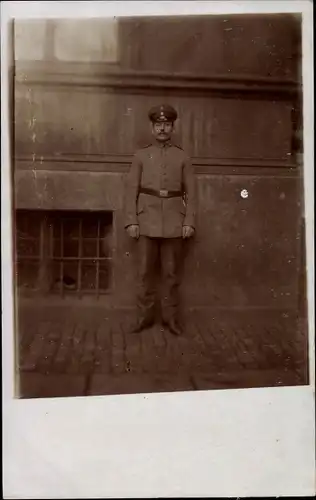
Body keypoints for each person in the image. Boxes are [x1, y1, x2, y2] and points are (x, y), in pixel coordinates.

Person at [124, 104, 196, 335]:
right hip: (146, 221)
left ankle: (170, 319)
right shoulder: (140, 156)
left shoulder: (182, 157)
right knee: (145, 273)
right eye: (158, 125)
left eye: (166, 124)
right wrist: (132, 220)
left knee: (171, 274)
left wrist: (189, 222)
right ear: (152, 127)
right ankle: (143, 318)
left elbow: (191, 193)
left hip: (175, 222)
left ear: (172, 127)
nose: (162, 128)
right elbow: (131, 190)